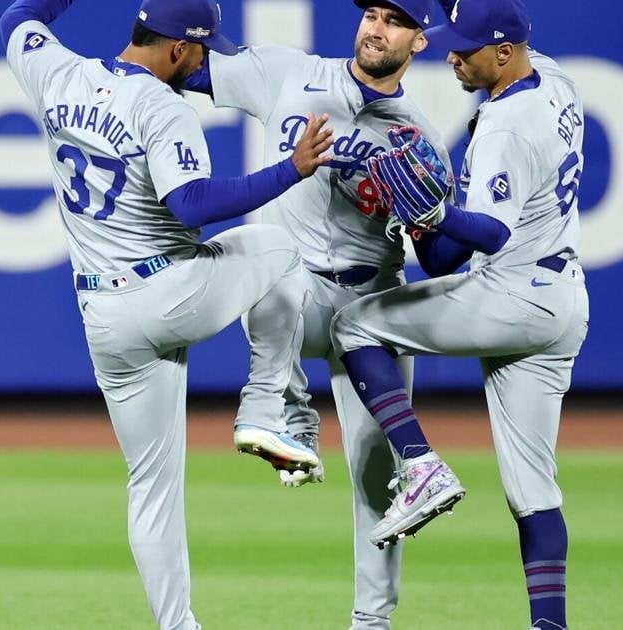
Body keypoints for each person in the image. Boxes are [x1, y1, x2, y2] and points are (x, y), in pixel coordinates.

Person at [0, 0, 336, 627]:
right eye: (204, 50)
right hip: (170, 289)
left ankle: (178, 626)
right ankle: (266, 407)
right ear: (178, 48)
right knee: (280, 245)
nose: (207, 62)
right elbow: (190, 204)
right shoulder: (161, 105)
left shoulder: (58, 73)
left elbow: (17, 18)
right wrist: (290, 170)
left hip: (104, 315)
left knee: (151, 489)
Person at [181, 2, 446, 627]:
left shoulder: (419, 135)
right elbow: (183, 64)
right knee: (265, 260)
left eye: (395, 20)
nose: (375, 28)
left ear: (420, 42)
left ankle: (370, 622)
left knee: (379, 477)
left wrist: (430, 217)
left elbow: (438, 255)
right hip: (293, 292)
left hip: (372, 300)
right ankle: (288, 412)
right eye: (372, 13)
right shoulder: (288, 73)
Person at [331, 0, 590, 628]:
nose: (450, 55)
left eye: (465, 48)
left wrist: (435, 210)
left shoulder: (505, 123)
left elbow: (493, 233)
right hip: (564, 300)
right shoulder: (556, 80)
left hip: (514, 293)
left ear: (503, 54)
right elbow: (444, 261)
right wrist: (426, 220)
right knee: (534, 494)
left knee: (353, 324)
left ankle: (419, 465)